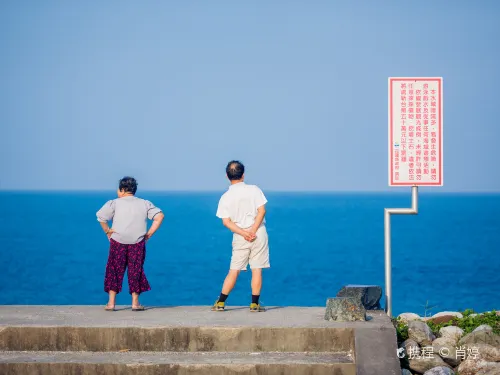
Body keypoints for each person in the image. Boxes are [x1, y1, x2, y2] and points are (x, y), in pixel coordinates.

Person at [96, 177, 164, 311]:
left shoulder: (114, 203)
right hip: (137, 242)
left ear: (121, 190)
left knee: (114, 269)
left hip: (117, 241)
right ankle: (135, 303)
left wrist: (107, 231)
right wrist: (149, 234)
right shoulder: (144, 203)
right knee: (136, 270)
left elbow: (101, 217)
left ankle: (111, 303)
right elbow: (159, 216)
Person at [212, 161, 270, 312]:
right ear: (243, 174)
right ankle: (254, 304)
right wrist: (253, 230)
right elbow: (262, 211)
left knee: (234, 269)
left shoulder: (225, 197)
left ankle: (221, 302)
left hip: (240, 235)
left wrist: (244, 232)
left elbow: (226, 222)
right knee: (257, 269)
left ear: (227, 176)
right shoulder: (254, 190)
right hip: (258, 233)